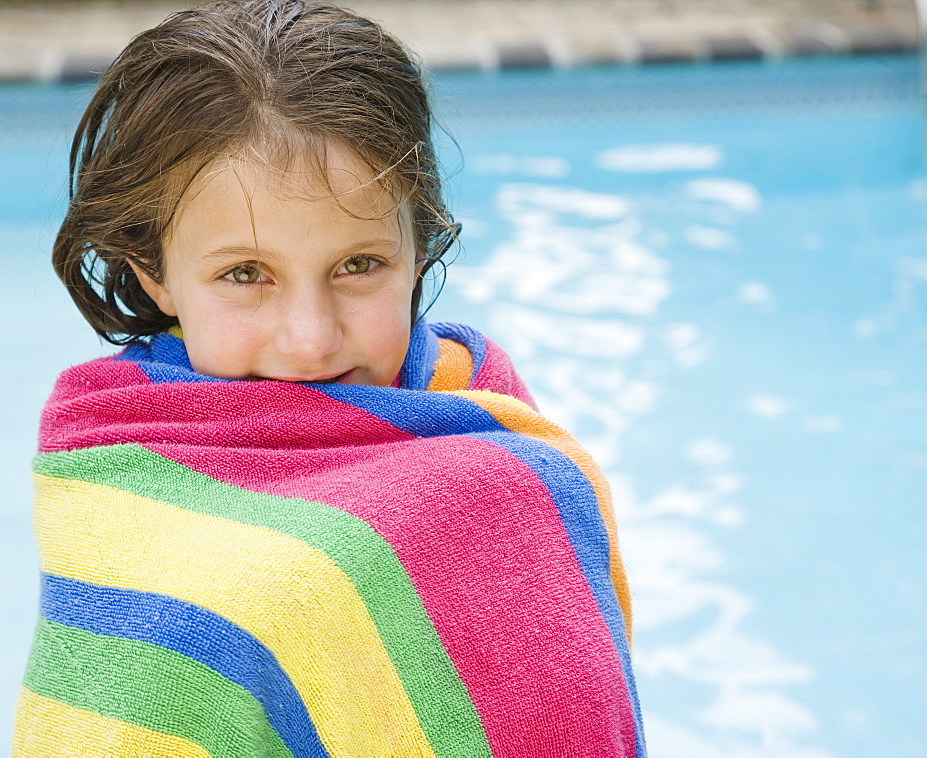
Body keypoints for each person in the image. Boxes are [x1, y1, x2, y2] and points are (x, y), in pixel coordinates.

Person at [12, 1, 645, 756]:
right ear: (155, 274)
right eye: (246, 275)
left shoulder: (493, 431)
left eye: (358, 265)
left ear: (420, 246)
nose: (310, 339)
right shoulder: (121, 469)